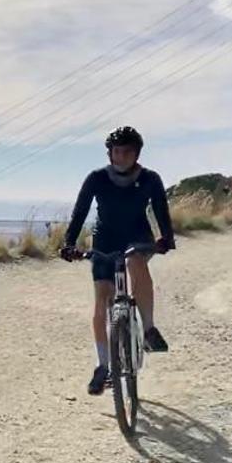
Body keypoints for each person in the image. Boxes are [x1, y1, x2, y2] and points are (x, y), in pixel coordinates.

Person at [59, 126, 175, 395]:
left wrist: (166, 238)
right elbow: (80, 213)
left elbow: (161, 211)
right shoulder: (97, 178)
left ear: (137, 154)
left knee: (136, 261)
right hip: (105, 238)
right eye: (117, 152)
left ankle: (148, 330)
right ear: (110, 154)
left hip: (137, 234)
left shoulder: (150, 179)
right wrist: (68, 243)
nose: (121, 156)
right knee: (102, 297)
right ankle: (103, 366)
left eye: (128, 152)